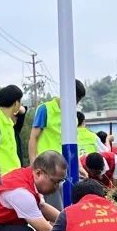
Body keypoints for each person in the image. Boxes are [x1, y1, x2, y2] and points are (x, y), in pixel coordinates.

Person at [29, 80, 85, 211]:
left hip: (66, 168)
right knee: (54, 209)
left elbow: (74, 144)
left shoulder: (73, 116)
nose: (75, 102)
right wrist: (33, 164)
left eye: (77, 99)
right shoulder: (45, 109)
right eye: (74, 98)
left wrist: (79, 165)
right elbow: (33, 138)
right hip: (48, 168)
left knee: (69, 208)